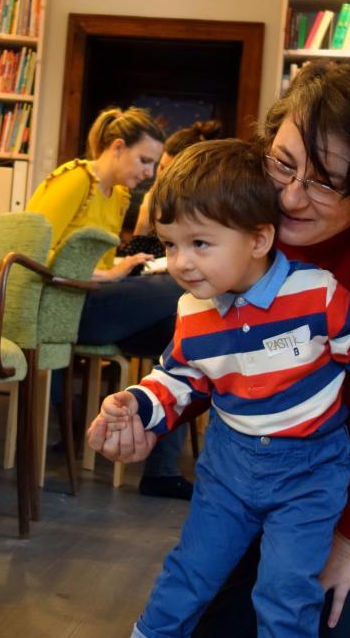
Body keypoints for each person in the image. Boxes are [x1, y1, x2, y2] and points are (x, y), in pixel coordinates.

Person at [89, 63, 350, 637]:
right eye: (282, 163)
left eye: (326, 182)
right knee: (211, 617)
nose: (290, 197)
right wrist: (144, 414)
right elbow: (212, 359)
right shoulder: (250, 205)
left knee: (334, 618)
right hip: (255, 469)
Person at [26, 107, 190, 499]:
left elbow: (98, 263)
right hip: (63, 306)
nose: (149, 172)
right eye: (144, 160)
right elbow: (31, 250)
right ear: (117, 147)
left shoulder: (117, 195)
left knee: (184, 334)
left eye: (154, 164)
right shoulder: (75, 180)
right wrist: (114, 275)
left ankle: (161, 472)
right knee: (182, 290)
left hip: (93, 300)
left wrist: (123, 267)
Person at [116, 120, 224, 499]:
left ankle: (162, 469)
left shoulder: (205, 209)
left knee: (182, 331)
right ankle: (161, 470)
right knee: (181, 325)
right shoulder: (149, 200)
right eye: (156, 166)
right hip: (136, 293)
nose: (157, 176)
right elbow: (132, 253)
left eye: (164, 168)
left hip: (158, 302)